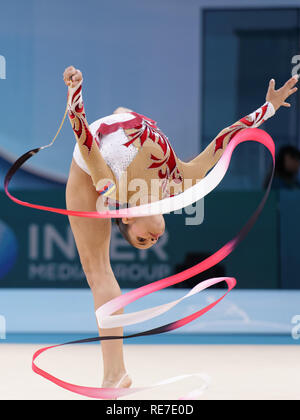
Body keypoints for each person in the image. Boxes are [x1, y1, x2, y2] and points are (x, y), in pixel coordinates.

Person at [64, 66, 298, 390]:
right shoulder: (180, 183)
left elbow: (84, 136)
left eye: (143, 239)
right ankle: (116, 374)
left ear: (129, 217)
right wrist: (268, 108)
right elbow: (224, 139)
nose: (155, 238)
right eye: (152, 242)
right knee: (100, 273)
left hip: (92, 156)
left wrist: (74, 93)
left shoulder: (111, 187)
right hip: (120, 134)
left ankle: (122, 114)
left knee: (98, 270)